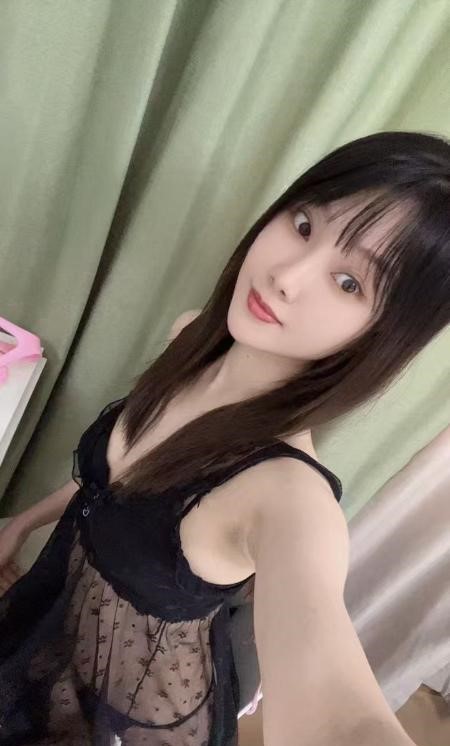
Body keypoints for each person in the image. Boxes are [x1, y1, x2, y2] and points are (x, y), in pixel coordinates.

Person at [0, 130, 449, 746]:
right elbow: (115, 483)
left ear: (387, 332)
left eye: (350, 283)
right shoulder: (190, 339)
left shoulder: (286, 496)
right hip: (49, 625)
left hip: (134, 715)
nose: (287, 276)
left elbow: (339, 708)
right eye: (304, 225)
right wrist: (24, 522)